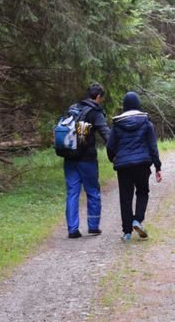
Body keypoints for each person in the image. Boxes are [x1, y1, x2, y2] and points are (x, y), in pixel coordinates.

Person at [107, 91, 162, 242]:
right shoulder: (146, 123)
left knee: (125, 197)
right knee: (142, 192)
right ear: (138, 104)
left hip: (123, 166)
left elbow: (110, 146)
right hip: (142, 164)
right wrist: (157, 167)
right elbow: (153, 147)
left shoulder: (117, 125)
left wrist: (114, 159)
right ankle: (137, 220)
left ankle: (127, 233)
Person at [63, 82, 111, 238]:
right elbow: (105, 133)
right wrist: (117, 148)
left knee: (72, 193)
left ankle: (72, 229)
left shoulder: (74, 108)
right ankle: (93, 226)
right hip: (87, 158)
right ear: (98, 97)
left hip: (69, 157)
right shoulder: (95, 112)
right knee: (92, 192)